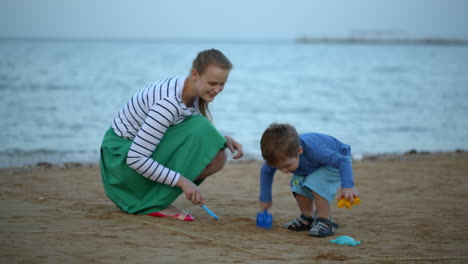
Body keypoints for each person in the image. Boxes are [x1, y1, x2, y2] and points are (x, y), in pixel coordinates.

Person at [100, 49, 243, 221]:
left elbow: (190, 129)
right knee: (205, 135)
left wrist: (223, 139)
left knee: (218, 154)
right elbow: (135, 158)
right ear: (195, 74)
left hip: (132, 155)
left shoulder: (193, 91)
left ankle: (156, 197)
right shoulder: (169, 103)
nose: (217, 89)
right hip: (120, 163)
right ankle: (152, 201)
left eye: (222, 84)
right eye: (212, 83)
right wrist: (183, 182)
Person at [258, 123, 359, 237]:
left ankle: (325, 221)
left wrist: (348, 186)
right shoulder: (279, 155)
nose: (284, 171)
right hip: (314, 164)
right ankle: (307, 218)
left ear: (299, 151)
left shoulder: (317, 151)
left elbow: (342, 162)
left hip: (338, 160)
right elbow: (266, 172)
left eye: (287, 166)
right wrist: (265, 199)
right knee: (296, 183)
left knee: (315, 182)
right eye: (279, 168)